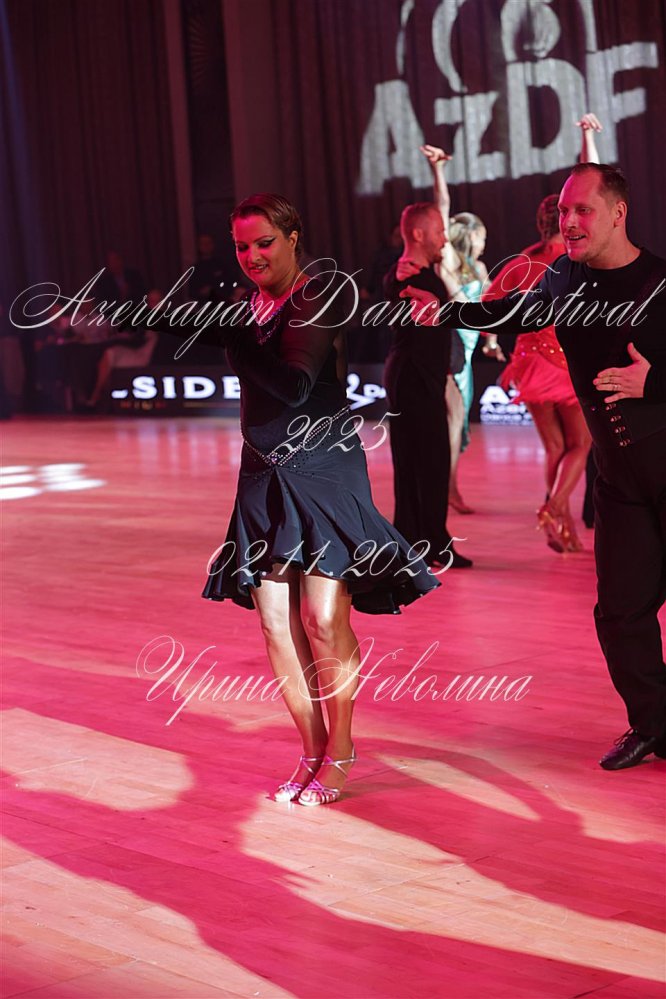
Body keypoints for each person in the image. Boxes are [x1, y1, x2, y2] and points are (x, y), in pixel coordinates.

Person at [400, 163, 666, 771]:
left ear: (618, 214)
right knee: (621, 612)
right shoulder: (564, 277)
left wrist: (655, 383)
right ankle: (653, 725)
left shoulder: (659, 282)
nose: (568, 221)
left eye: (583, 210)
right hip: (620, 480)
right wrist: (446, 312)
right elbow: (513, 312)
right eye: (564, 211)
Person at [203, 193, 439, 805]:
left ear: (293, 237)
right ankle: (310, 750)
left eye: (264, 243)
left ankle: (342, 749)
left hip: (324, 468)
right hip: (263, 473)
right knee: (274, 622)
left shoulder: (319, 294)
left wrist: (235, 341)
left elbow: (294, 383)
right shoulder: (246, 305)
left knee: (323, 618)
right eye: (241, 246)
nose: (252, 255)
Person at [483, 115, 602, 552]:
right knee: (581, 444)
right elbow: (592, 185)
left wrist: (498, 339)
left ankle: (560, 528)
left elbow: (489, 305)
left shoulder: (522, 259)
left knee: (555, 448)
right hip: (563, 363)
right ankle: (552, 508)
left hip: (529, 362)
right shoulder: (573, 258)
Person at [383, 202, 473, 568]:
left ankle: (419, 542)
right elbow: (402, 296)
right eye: (438, 231)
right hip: (413, 378)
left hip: (419, 377)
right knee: (424, 463)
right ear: (419, 234)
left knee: (424, 462)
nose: (444, 239)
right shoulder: (405, 277)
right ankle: (426, 544)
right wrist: (403, 279)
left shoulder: (418, 273)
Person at [419, 145, 505, 514]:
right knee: (452, 423)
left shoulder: (480, 269)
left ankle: (448, 486)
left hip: (467, 354)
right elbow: (442, 207)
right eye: (482, 235)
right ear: (469, 235)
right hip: (450, 349)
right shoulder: (450, 261)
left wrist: (492, 342)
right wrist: (437, 170)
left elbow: (489, 310)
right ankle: (448, 489)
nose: (485, 241)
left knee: (457, 424)